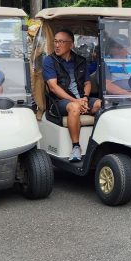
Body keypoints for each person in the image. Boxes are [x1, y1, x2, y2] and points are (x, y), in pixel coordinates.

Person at [42, 29, 99, 162]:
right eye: (55, 41)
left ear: (71, 45)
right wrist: (77, 101)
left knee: (101, 105)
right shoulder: (49, 61)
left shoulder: (80, 60)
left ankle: (98, 144)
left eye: (61, 42)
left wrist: (84, 98)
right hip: (59, 102)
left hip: (80, 98)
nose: (57, 45)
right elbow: (53, 87)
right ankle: (76, 147)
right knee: (74, 107)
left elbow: (87, 83)